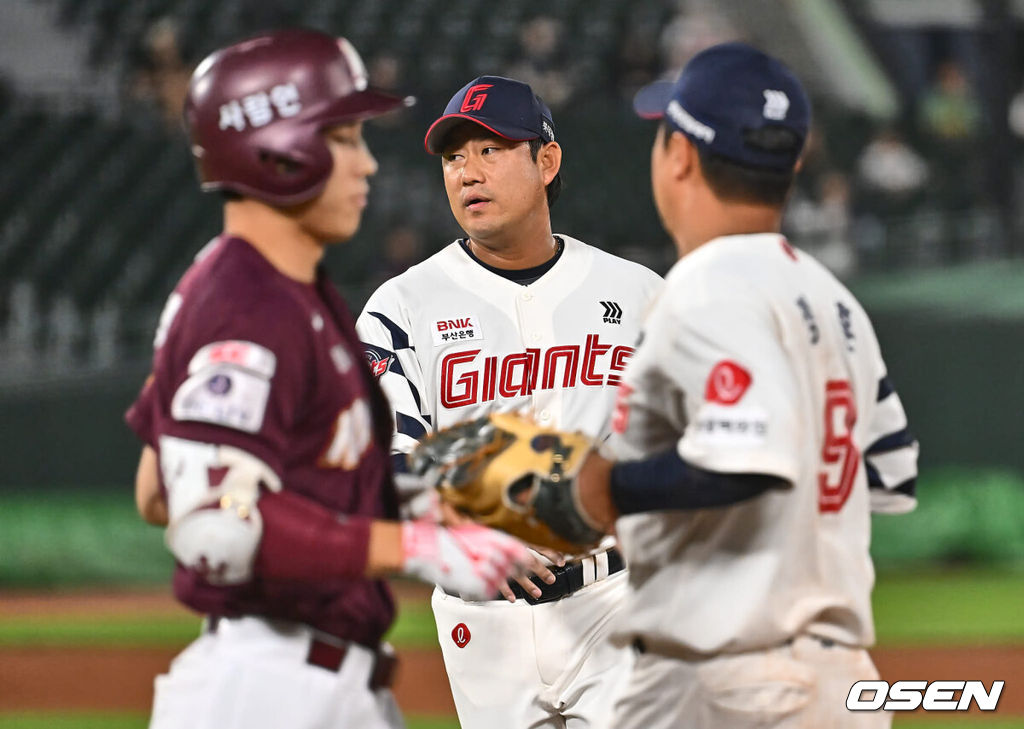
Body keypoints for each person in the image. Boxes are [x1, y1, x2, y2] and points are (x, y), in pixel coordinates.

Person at [124, 30, 528, 729]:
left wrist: (426, 502)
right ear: (276, 150)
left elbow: (159, 486)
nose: (368, 164)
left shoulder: (284, 291)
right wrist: (414, 544)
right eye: (343, 139)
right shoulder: (245, 301)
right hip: (271, 689)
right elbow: (212, 525)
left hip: (309, 679)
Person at [561, 43, 919, 727]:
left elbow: (747, 454)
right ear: (790, 166)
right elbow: (890, 475)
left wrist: (605, 488)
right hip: (838, 681)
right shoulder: (834, 301)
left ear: (679, 158)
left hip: (728, 680)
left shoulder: (705, 288)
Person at [355, 76, 663, 728]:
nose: (468, 171)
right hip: (481, 618)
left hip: (614, 596)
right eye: (453, 156)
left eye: (489, 149)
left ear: (545, 161)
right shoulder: (401, 308)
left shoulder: (637, 293)